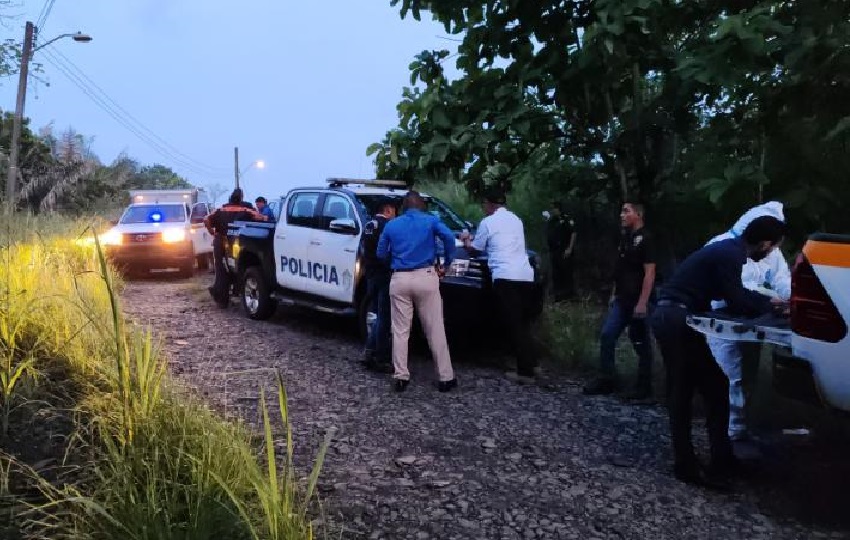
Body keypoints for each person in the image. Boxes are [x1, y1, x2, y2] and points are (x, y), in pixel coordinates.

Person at [650, 215, 787, 488]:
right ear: (764, 243)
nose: (770, 253)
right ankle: (690, 465)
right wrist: (771, 304)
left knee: (706, 387)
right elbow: (736, 297)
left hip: (675, 317)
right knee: (687, 390)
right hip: (676, 319)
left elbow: (730, 295)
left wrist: (764, 302)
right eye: (772, 249)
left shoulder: (727, 250)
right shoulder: (730, 254)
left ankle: (718, 458)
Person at [705, 202, 791, 443]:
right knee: (728, 374)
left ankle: (740, 428)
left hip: (753, 320)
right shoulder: (724, 246)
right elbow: (733, 289)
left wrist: (791, 296)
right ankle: (724, 433)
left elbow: (782, 279)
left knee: (747, 376)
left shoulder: (771, 252)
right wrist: (768, 298)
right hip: (721, 320)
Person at [377, 190, 457, 393]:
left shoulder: (392, 224)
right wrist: (446, 263)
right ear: (421, 205)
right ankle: (446, 378)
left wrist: (394, 264)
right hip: (426, 276)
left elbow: (380, 253)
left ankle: (401, 376)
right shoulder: (430, 221)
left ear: (404, 206)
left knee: (401, 330)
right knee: (435, 328)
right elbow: (448, 237)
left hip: (400, 278)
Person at [462, 188, 538, 384]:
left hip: (505, 276)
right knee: (524, 321)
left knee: (514, 324)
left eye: (484, 204)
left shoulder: (488, 222)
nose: (483, 208)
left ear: (490, 204)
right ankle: (532, 362)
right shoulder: (516, 220)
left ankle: (525, 371)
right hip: (525, 275)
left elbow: (475, 249)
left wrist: (466, 240)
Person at [584, 202, 657, 399]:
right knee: (608, 335)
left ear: (638, 214)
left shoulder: (646, 239)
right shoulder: (625, 238)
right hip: (622, 299)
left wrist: (643, 302)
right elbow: (621, 270)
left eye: (626, 211)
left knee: (640, 341)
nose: (622, 215)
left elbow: (649, 273)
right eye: (621, 211)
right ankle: (607, 379)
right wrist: (614, 294)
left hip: (638, 299)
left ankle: (644, 388)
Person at [204, 189, 264, 308]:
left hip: (221, 242)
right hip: (239, 243)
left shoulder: (221, 209)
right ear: (241, 197)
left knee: (221, 270)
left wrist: (212, 232)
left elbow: (206, 219)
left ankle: (221, 300)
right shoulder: (247, 209)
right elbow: (261, 219)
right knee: (240, 268)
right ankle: (239, 291)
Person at [360, 197, 398, 374]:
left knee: (376, 314)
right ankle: (380, 357)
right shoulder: (386, 226)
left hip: (370, 274)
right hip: (384, 275)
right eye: (394, 211)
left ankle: (369, 351)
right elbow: (387, 252)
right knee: (384, 318)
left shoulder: (368, 225)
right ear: (388, 209)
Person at [546, 201, 577, 301]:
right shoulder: (552, 220)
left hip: (564, 249)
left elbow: (573, 233)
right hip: (555, 251)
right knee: (556, 274)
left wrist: (570, 248)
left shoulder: (566, 218)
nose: (552, 211)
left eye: (553, 209)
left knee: (566, 273)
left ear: (558, 209)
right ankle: (558, 296)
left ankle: (569, 295)